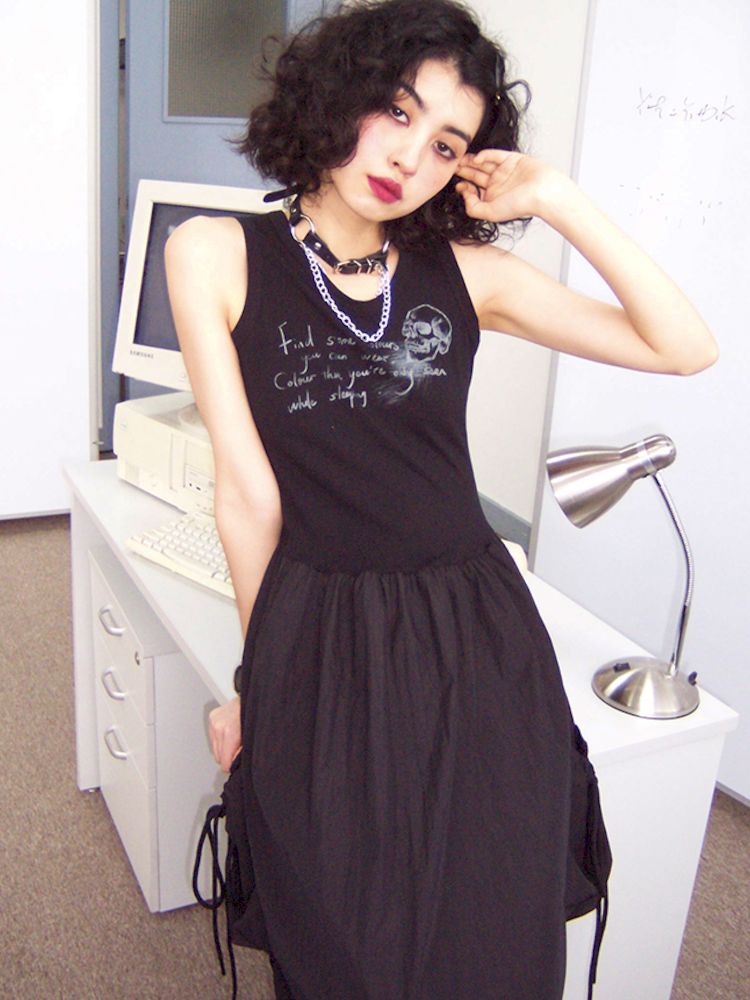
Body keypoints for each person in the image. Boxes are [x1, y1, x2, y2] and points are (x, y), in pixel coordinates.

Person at [165, 2, 718, 998]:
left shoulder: (467, 274)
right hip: (324, 633)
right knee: (340, 940)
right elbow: (247, 498)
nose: (408, 155)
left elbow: (683, 347)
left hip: (476, 633)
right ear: (337, 96)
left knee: (493, 929)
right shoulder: (214, 252)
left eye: (447, 144)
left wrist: (556, 198)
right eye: (396, 109)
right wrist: (258, 679)